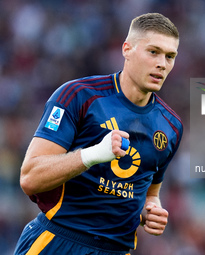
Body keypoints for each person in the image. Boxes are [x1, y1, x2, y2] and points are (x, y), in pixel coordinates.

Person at [14, 12, 182, 255]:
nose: (162, 64)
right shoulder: (78, 96)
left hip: (117, 250)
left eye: (170, 56)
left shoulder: (171, 126)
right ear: (127, 49)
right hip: (58, 241)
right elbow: (30, 178)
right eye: (153, 52)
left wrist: (150, 211)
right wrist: (92, 155)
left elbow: (150, 194)